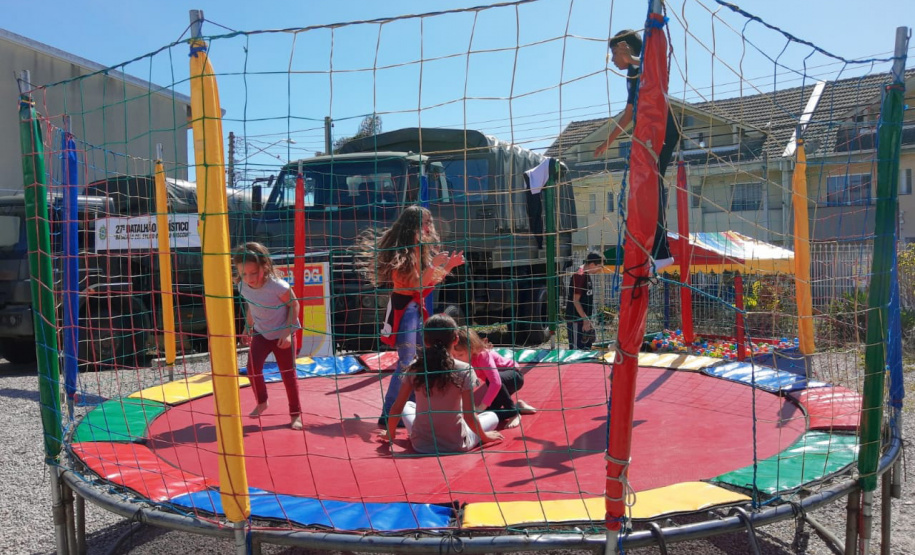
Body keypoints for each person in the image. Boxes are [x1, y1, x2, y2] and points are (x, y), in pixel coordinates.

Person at [360, 205, 465, 427]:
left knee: (419, 359)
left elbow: (428, 283)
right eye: (425, 223)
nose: (429, 227)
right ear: (413, 226)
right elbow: (417, 284)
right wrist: (437, 267)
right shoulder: (404, 253)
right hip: (405, 310)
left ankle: (407, 407)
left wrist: (447, 267)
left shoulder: (420, 248)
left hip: (414, 308)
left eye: (429, 222)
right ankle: (390, 413)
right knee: (406, 362)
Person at [593, 29, 680, 271]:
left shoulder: (640, 65)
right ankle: (656, 250)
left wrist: (632, 59)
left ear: (625, 48)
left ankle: (662, 252)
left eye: (614, 54)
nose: (612, 60)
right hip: (652, 131)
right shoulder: (631, 73)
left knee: (651, 187)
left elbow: (654, 68)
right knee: (645, 187)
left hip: (662, 128)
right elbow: (629, 112)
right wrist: (607, 142)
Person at [379, 313, 503, 454]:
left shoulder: (415, 367)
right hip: (455, 445)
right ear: (456, 339)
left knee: (407, 405)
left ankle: (420, 434)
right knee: (492, 416)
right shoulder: (464, 369)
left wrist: (389, 434)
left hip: (420, 444)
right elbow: (469, 415)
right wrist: (485, 437)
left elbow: (396, 408)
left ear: (425, 341)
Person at [233, 242, 303, 431]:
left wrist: (287, 332)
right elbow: (251, 305)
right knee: (252, 368)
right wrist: (248, 327)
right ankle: (262, 401)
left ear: (264, 267)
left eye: (254, 273)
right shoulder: (243, 285)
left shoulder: (277, 286)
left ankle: (295, 413)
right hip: (262, 333)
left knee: (288, 375)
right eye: (244, 274)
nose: (249, 278)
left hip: (282, 333)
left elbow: (294, 305)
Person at [452, 327, 536, 429]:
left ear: (472, 349)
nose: (456, 358)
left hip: (514, 376)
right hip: (499, 385)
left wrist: (482, 406)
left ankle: (513, 413)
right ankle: (517, 407)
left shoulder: (483, 355)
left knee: (489, 387)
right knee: (489, 414)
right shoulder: (462, 362)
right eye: (454, 355)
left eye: (460, 355)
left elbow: (496, 382)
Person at [566, 252, 604, 350]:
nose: (600, 270)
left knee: (586, 350)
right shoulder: (580, 275)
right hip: (576, 320)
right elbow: (575, 300)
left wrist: (588, 320)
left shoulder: (586, 275)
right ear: (592, 264)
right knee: (576, 351)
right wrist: (585, 319)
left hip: (584, 320)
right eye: (599, 266)